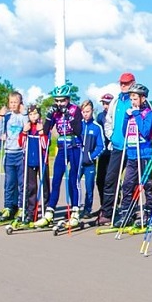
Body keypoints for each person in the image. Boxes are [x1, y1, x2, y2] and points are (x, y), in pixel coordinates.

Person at [34, 84, 83, 227]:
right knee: (56, 179)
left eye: (62, 100)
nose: (59, 104)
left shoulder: (75, 110)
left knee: (73, 179)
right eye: (57, 101)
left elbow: (79, 130)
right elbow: (46, 130)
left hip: (74, 147)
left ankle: (75, 211)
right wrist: (49, 117)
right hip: (61, 147)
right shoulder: (55, 112)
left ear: (68, 99)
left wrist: (70, 117)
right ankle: (50, 211)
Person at [115, 84, 152, 227]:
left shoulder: (148, 114)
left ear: (143, 98)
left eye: (135, 98)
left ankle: (149, 212)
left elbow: (145, 131)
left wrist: (137, 114)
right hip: (132, 154)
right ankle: (127, 213)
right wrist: (127, 117)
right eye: (131, 99)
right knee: (127, 184)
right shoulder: (131, 113)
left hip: (144, 154)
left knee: (147, 184)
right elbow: (123, 132)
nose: (132, 102)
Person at [96, 73, 135, 226]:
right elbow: (108, 120)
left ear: (133, 83)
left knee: (130, 181)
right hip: (117, 147)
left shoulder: (137, 99)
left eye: (126, 83)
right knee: (110, 179)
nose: (123, 86)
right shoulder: (116, 101)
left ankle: (129, 210)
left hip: (132, 146)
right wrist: (111, 136)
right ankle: (107, 211)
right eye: (122, 83)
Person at [0, 91, 28, 222]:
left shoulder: (22, 116)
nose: (13, 104)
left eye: (16, 102)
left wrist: (24, 113)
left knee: (21, 183)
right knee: (9, 183)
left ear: (20, 103)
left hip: (20, 152)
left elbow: (27, 127)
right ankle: (9, 207)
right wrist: (0, 117)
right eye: (11, 102)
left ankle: (21, 207)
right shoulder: (7, 116)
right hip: (9, 152)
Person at [18, 105, 49, 224]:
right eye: (31, 114)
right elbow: (22, 143)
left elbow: (45, 144)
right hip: (29, 162)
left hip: (42, 161)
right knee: (31, 187)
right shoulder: (27, 127)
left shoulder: (43, 127)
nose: (33, 117)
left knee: (44, 187)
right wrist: (25, 132)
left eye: (35, 114)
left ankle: (46, 212)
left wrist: (41, 132)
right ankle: (31, 213)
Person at [79, 100, 104, 218]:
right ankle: (75, 208)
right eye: (83, 112)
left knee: (89, 187)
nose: (85, 114)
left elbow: (101, 146)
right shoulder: (78, 125)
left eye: (87, 111)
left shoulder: (97, 127)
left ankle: (87, 210)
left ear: (92, 111)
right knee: (74, 184)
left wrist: (91, 156)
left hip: (89, 163)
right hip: (77, 163)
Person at [94, 93, 113, 213]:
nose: (105, 106)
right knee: (100, 180)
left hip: (114, 151)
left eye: (107, 103)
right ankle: (103, 205)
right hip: (103, 152)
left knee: (110, 180)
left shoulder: (115, 115)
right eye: (104, 103)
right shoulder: (100, 116)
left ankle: (112, 206)